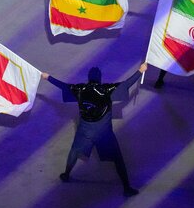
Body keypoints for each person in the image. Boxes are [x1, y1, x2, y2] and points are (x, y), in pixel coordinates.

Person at [42, 63, 147, 197]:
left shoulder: (80, 89)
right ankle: (126, 188)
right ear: (100, 78)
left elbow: (63, 86)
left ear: (89, 78)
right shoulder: (107, 89)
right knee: (117, 159)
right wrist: (140, 71)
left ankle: (66, 175)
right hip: (104, 132)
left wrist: (48, 77)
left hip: (85, 131)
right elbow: (126, 84)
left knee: (75, 151)